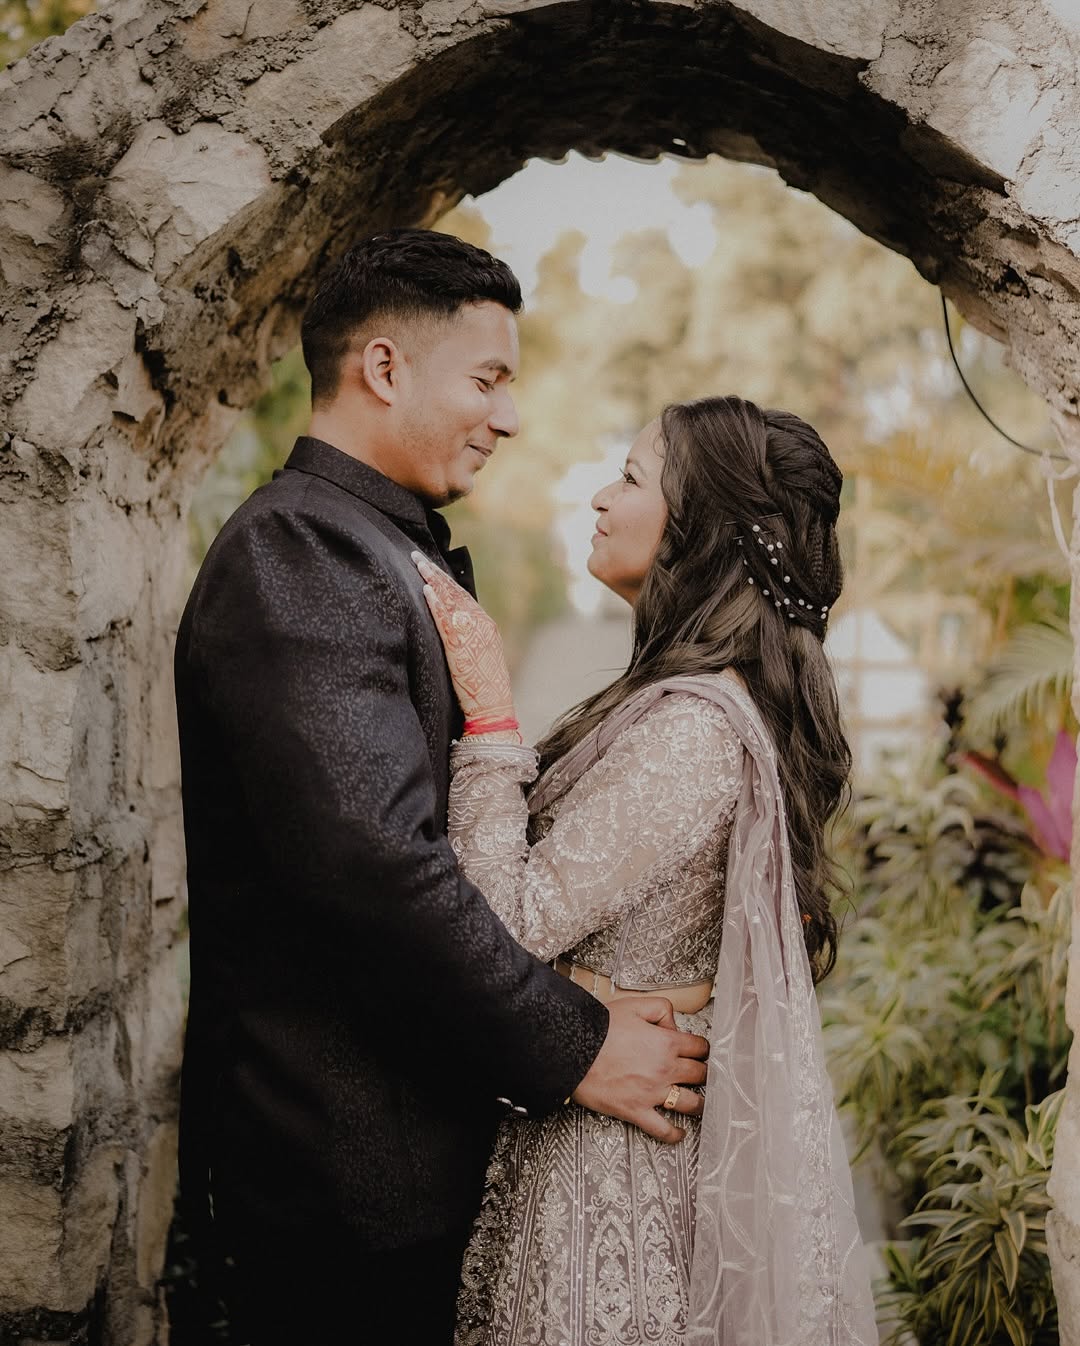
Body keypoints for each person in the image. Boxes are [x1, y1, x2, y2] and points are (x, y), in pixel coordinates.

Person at [172, 229, 709, 1345]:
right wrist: (578, 1044)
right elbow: (375, 869)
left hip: (396, 1174)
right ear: (381, 367)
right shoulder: (302, 554)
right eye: (488, 378)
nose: (508, 417)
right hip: (341, 1192)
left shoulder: (364, 541)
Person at [413, 396, 879, 1344]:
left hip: (611, 1160)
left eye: (629, 478)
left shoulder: (692, 732)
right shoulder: (693, 701)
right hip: (601, 1104)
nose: (597, 497)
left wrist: (493, 725)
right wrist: (586, 994)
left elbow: (504, 921)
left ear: (697, 528)